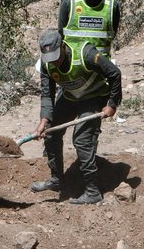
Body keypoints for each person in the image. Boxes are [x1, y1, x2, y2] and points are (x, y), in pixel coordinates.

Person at [29, 29, 121, 205]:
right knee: (50, 133)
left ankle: (93, 191)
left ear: (63, 46)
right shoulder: (46, 64)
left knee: (82, 139)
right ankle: (57, 180)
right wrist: (44, 120)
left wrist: (112, 103)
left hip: (94, 97)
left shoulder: (85, 53)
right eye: (50, 59)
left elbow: (114, 73)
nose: (54, 62)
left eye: (56, 56)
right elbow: (47, 94)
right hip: (70, 96)